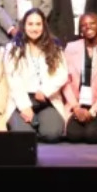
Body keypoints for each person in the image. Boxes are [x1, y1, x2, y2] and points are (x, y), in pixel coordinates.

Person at [5, 9, 69, 140]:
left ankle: (40, 124)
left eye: (38, 24)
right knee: (24, 137)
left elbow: (62, 73)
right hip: (21, 99)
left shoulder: (54, 46)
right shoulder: (13, 47)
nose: (34, 28)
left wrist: (45, 90)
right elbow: (13, 79)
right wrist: (24, 106)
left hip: (46, 99)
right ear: (24, 26)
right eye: (30, 24)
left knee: (52, 134)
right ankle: (31, 124)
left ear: (44, 25)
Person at [62, 12, 97, 143]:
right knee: (74, 135)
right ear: (80, 29)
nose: (88, 27)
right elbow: (65, 82)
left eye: (92, 23)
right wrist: (76, 108)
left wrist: (93, 111)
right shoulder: (71, 48)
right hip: (76, 105)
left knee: (92, 135)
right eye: (84, 25)